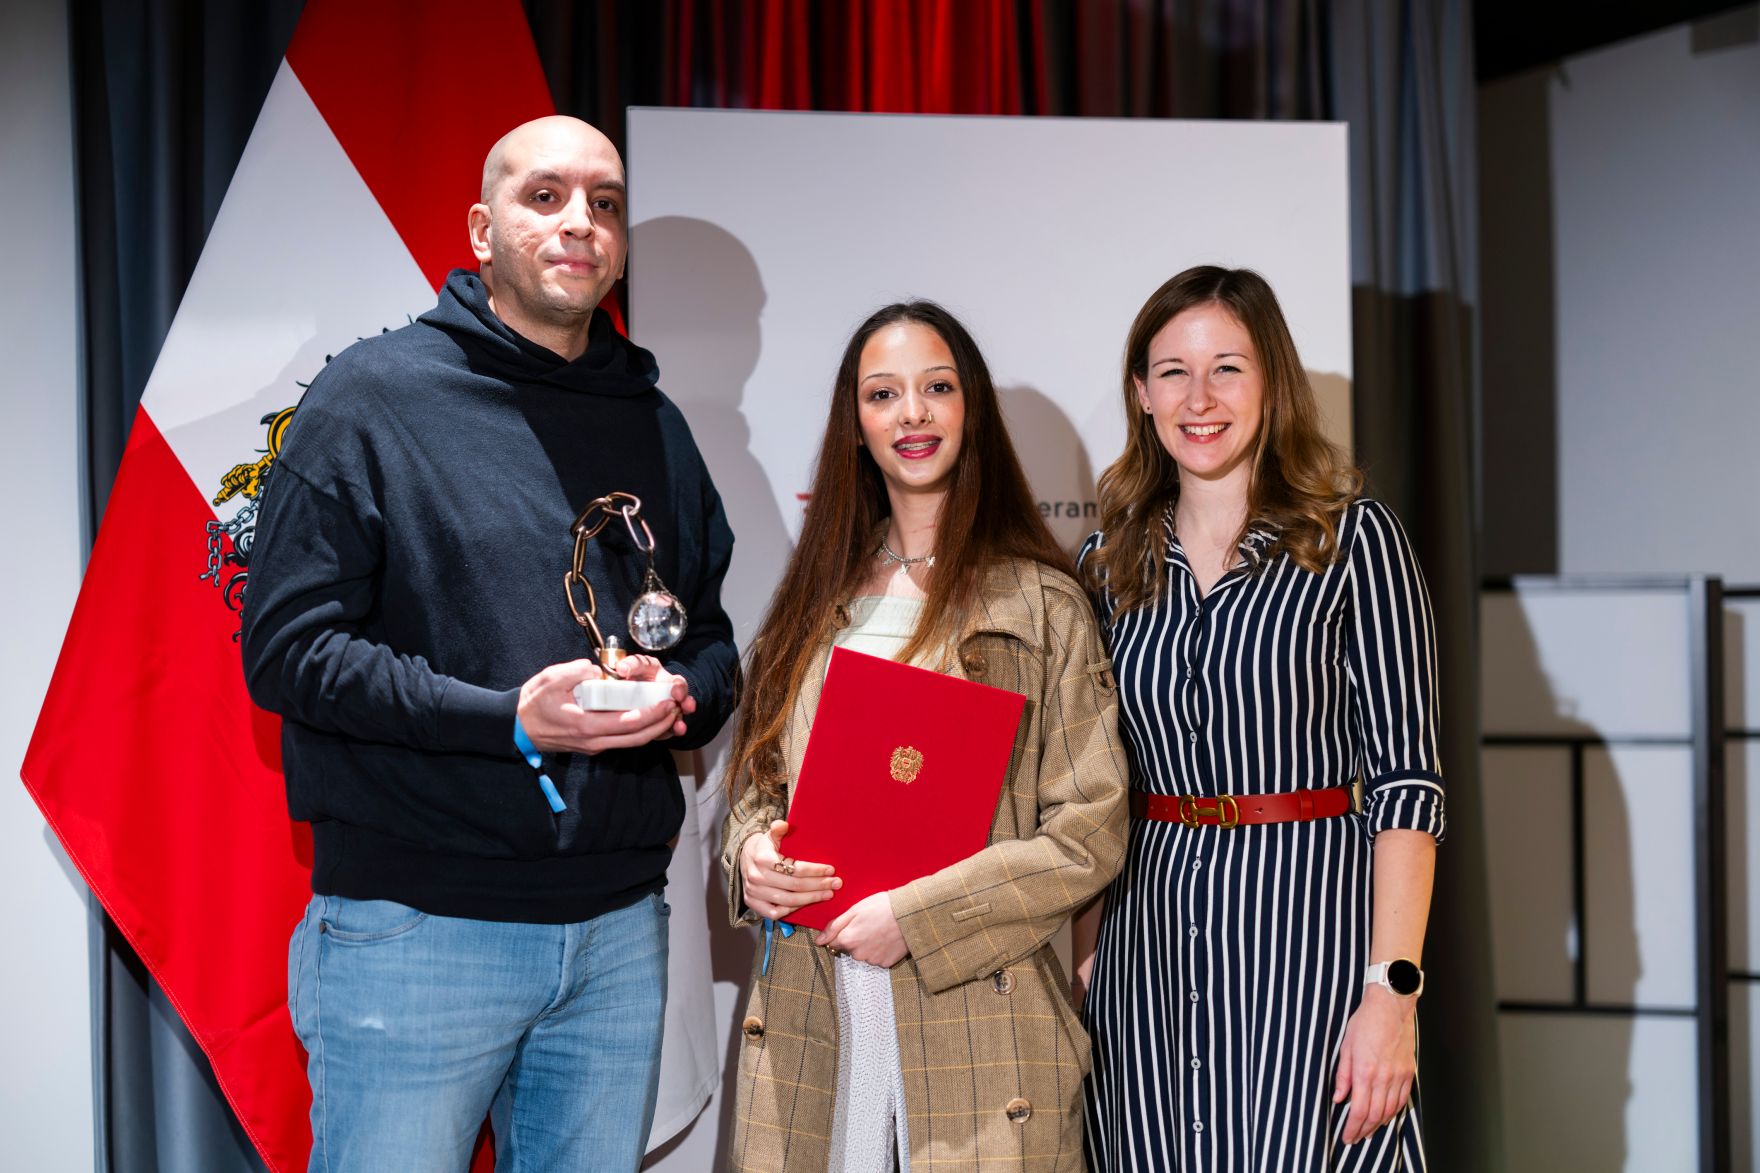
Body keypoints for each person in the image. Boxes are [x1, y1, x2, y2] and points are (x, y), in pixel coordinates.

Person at [240, 115, 738, 1172]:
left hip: (614, 927)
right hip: (415, 925)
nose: (579, 224)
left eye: (603, 204)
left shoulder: (651, 420)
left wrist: (676, 694)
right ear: (480, 228)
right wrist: (506, 717)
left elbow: (709, 639)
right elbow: (286, 651)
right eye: (544, 197)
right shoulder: (371, 399)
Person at [719, 301, 1130, 1172]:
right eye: (883, 394)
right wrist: (751, 853)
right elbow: (758, 782)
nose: (912, 413)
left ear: (969, 408)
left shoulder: (1043, 604)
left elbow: (1088, 831)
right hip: (812, 1005)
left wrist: (917, 916)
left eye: (936, 387)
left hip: (978, 1008)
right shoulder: (810, 598)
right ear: (855, 424)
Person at [1076, 267, 1444, 1172]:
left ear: (1272, 382)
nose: (1199, 399)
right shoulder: (1105, 564)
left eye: (1227, 368)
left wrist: (1392, 994)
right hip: (1145, 951)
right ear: (1140, 393)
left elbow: (1408, 786)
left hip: (1314, 944)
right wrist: (1088, 960)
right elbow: (1086, 783)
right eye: (1173, 372)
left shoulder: (1354, 539)